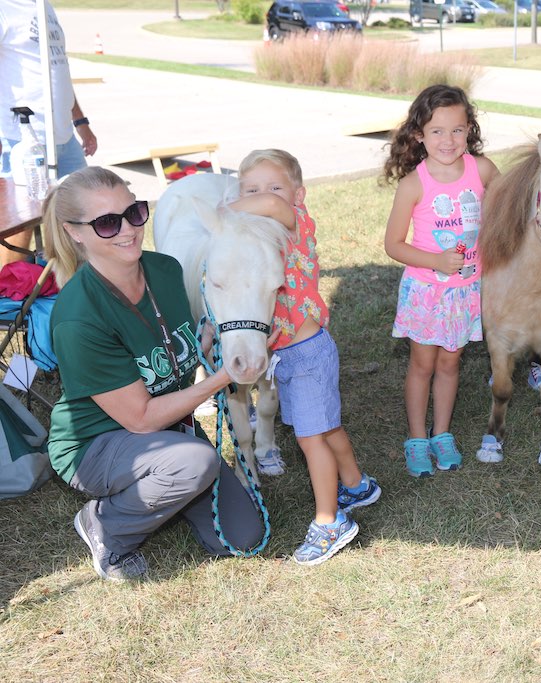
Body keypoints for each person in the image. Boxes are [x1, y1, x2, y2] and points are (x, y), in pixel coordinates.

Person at [43, 168, 264, 582]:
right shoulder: (78, 316)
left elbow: (166, 354)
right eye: (108, 222)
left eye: (134, 212)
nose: (127, 230)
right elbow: (140, 418)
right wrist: (219, 379)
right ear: (76, 233)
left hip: (169, 430)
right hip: (96, 444)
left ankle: (164, 490)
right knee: (194, 463)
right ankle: (105, 525)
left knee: (241, 538)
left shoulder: (164, 269)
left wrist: (204, 343)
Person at [235, 148, 380, 566]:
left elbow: (269, 205)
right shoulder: (260, 238)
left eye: (275, 186)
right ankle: (355, 484)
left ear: (298, 194)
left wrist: (223, 208)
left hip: (308, 353)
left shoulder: (294, 222)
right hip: (290, 357)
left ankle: (329, 521)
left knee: (309, 438)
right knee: (324, 425)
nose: (264, 196)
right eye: (251, 188)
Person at [382, 84, 499, 478]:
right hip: (425, 292)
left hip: (465, 292)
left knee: (451, 364)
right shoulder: (413, 184)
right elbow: (393, 245)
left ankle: (442, 433)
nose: (447, 140)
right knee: (422, 364)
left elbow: (504, 216)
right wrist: (435, 260)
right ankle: (416, 438)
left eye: (457, 130)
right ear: (419, 134)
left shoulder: (482, 170)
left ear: (469, 130)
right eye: (436, 131)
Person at [1, 0, 98, 267]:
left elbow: (57, 71)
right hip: (25, 136)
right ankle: (11, 299)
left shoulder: (44, 6)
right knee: (22, 221)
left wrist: (80, 121)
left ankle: (71, 290)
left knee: (82, 213)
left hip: (64, 137)